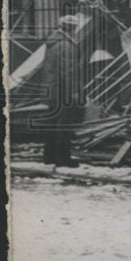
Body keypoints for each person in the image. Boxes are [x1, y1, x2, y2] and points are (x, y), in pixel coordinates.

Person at [39, 16, 86, 167]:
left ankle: (49, 156)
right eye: (74, 28)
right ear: (71, 28)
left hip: (51, 90)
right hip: (63, 91)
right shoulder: (67, 45)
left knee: (52, 123)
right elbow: (69, 71)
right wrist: (74, 92)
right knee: (64, 124)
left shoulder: (52, 43)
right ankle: (62, 158)